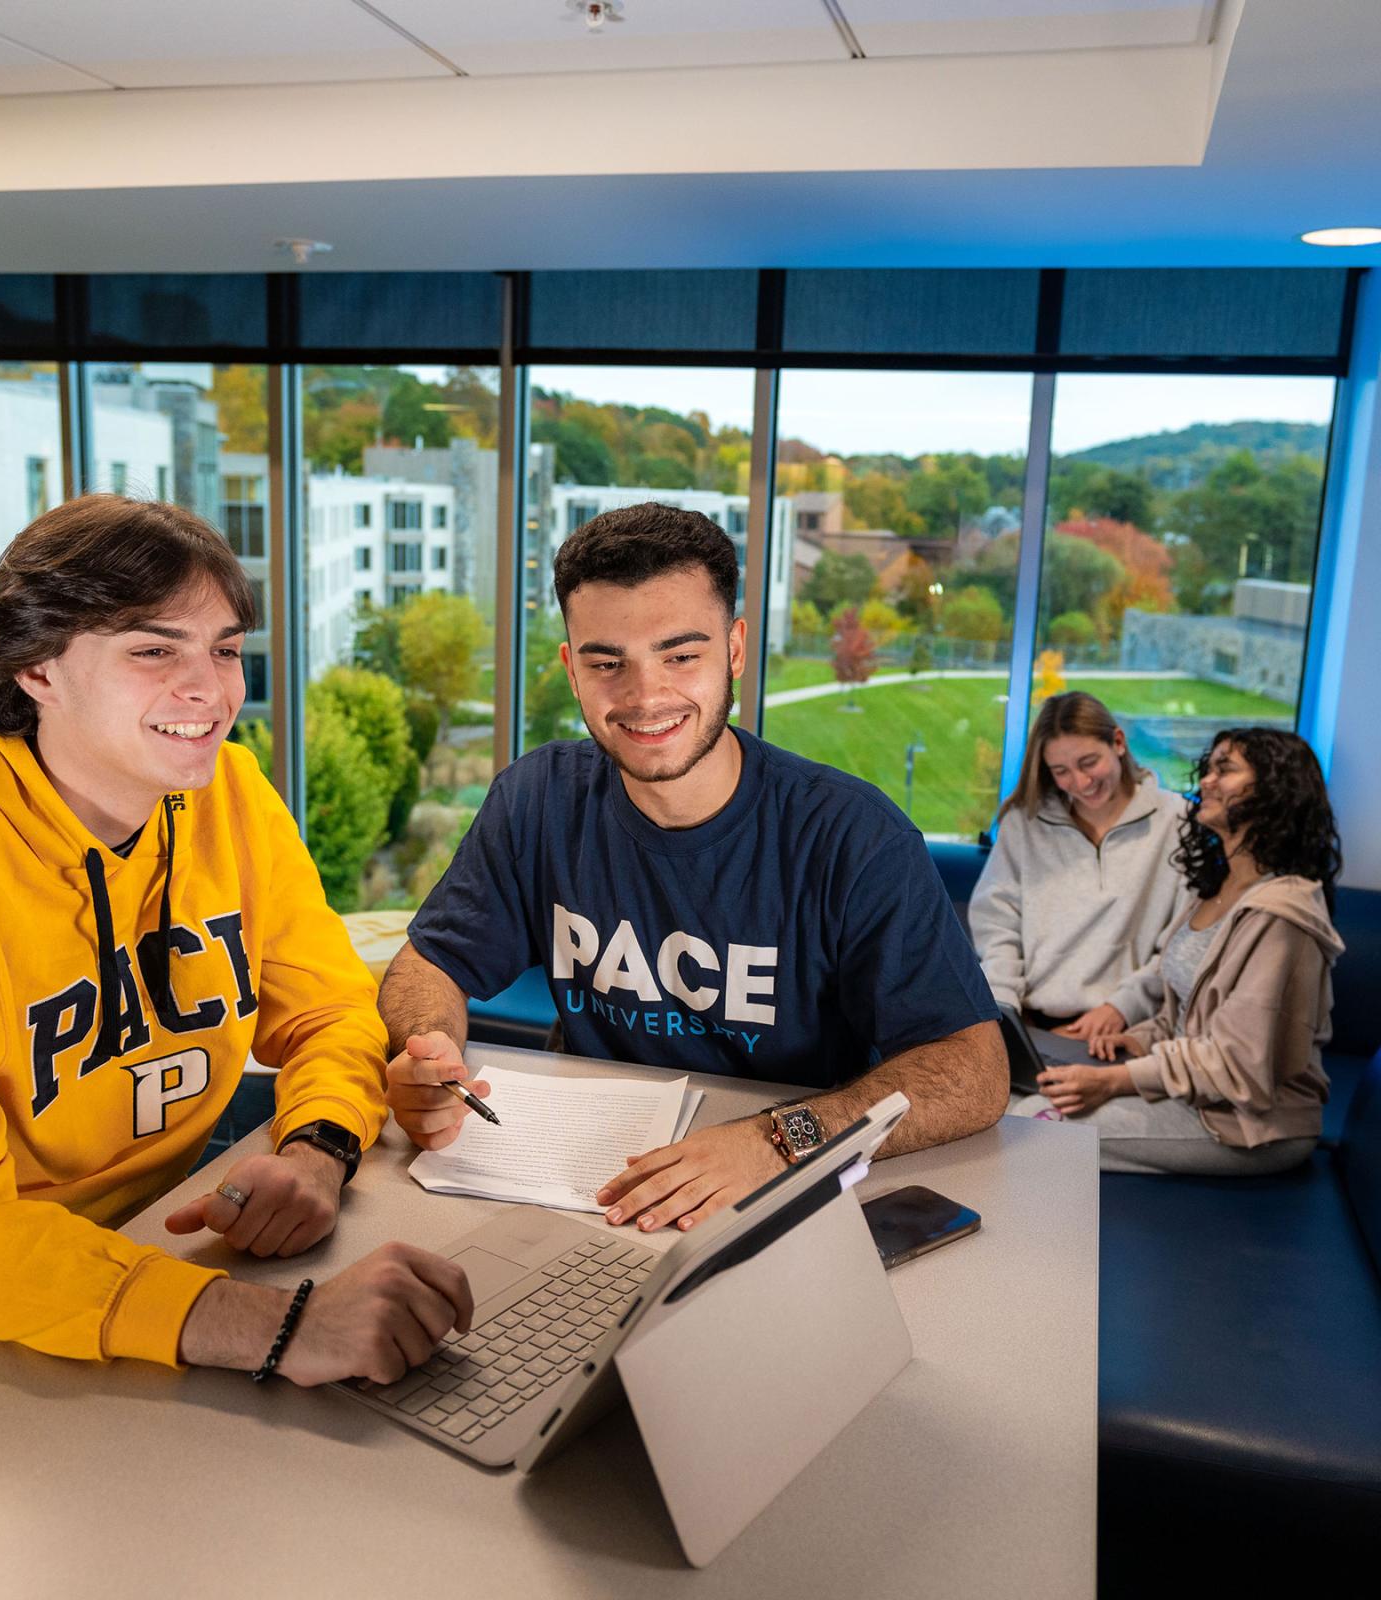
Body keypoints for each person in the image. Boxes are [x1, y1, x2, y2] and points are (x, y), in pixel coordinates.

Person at [0, 496, 469, 1452]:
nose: (211, 692)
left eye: (225, 650)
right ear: (37, 668)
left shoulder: (230, 791)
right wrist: (284, 1326)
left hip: (144, 1249)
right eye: (154, 650)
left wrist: (317, 1151)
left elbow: (328, 1011)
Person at [379, 503, 1007, 1235]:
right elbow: (429, 963)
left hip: (786, 1197)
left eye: (680, 656)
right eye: (607, 663)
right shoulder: (536, 799)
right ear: (572, 670)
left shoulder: (853, 836)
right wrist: (429, 1051)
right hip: (592, 1189)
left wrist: (779, 1142)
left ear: (735, 650)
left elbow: (975, 1070)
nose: (645, 696)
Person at [1013, 728, 1343, 1175]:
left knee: (1028, 1126)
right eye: (1209, 769)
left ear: (1275, 791)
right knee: (1009, 1097)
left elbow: (1239, 1064)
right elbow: (1188, 1014)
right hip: (1195, 1094)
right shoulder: (1216, 889)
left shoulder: (1282, 915)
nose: (1206, 780)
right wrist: (1138, 1038)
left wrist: (1114, 1080)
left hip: (1247, 1123)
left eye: (1225, 770)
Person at [969, 691, 1189, 1041]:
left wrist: (1124, 1006)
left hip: (1127, 1030)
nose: (1081, 782)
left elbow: (1182, 940)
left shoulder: (1176, 820)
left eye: (1089, 763)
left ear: (1118, 742)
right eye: (1061, 771)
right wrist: (1005, 1012)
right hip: (1032, 1023)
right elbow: (997, 926)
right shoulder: (1024, 823)